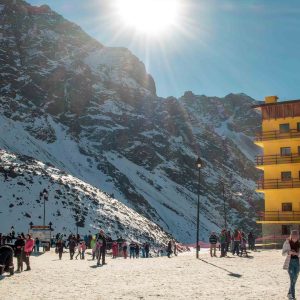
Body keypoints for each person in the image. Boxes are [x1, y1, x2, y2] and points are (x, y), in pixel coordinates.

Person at [282, 230, 300, 300]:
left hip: (298, 263)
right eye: (293, 235)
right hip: (290, 263)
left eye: (296, 235)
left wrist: (297, 254)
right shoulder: (287, 242)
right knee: (292, 278)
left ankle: (289, 293)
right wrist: (288, 252)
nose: (295, 236)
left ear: (298, 236)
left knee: (295, 279)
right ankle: (292, 296)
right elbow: (283, 253)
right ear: (291, 235)